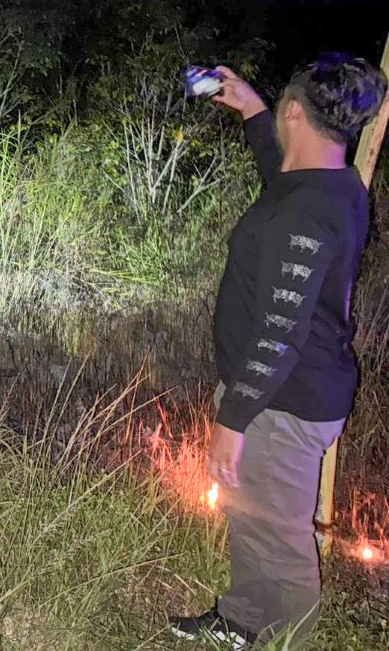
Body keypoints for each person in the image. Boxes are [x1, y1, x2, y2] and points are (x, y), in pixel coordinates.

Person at [170, 55, 386, 648]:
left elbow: (278, 335)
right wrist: (256, 111)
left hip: (282, 400)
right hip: (284, 391)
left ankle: (289, 638)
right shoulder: (328, 185)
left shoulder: (308, 209)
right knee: (253, 518)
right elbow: (284, 177)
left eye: (280, 108)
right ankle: (244, 619)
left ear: (298, 110)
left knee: (282, 541)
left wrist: (232, 422)